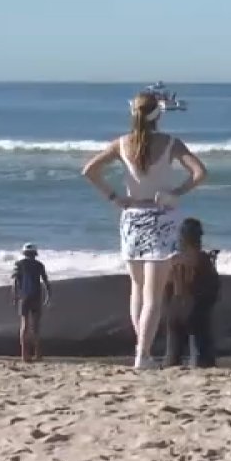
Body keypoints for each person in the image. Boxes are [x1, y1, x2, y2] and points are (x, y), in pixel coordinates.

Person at [81, 91, 208, 369]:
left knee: (137, 290)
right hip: (162, 217)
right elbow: (200, 173)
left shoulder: (122, 143)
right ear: (158, 114)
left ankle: (143, 351)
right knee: (154, 295)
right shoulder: (170, 143)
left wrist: (115, 198)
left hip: (132, 218)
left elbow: (89, 171)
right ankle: (143, 354)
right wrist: (176, 193)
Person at [163, 218, 221, 368]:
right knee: (202, 346)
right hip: (194, 308)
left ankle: (171, 364)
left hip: (174, 309)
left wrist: (170, 307)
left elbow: (166, 288)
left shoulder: (173, 260)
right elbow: (213, 286)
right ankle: (199, 362)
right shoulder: (202, 259)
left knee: (173, 350)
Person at [11, 243, 51, 362]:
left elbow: (15, 282)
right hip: (36, 297)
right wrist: (48, 296)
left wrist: (15, 296)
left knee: (24, 325)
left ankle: (24, 355)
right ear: (35, 253)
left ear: (24, 253)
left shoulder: (19, 264)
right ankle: (38, 355)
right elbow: (46, 282)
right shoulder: (39, 265)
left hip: (24, 298)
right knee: (36, 326)